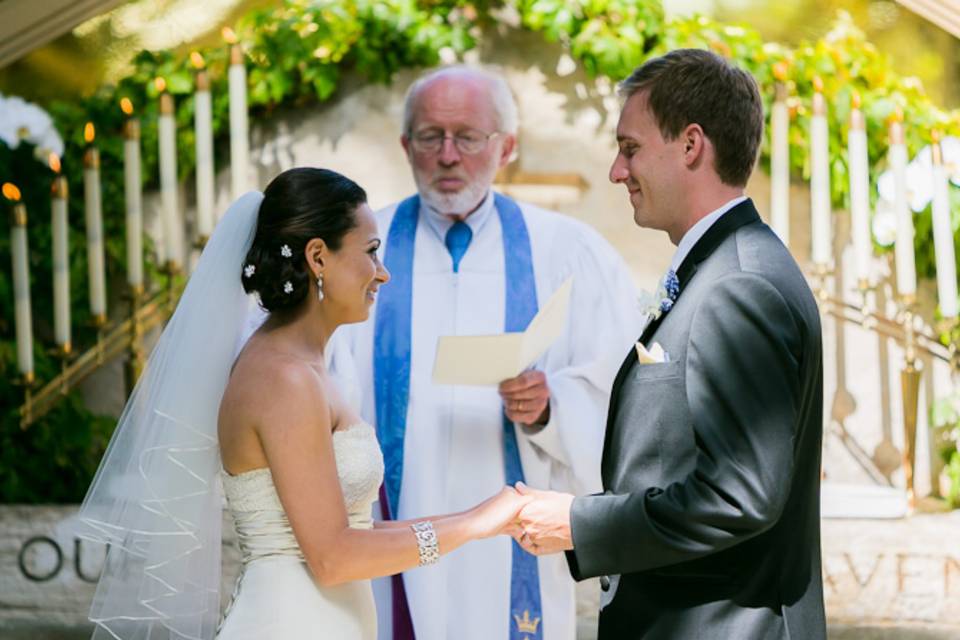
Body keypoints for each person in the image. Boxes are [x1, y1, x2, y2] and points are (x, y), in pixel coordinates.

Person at [76, 167, 529, 640]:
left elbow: (356, 532)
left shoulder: (305, 366)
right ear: (318, 257)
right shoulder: (282, 379)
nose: (383, 272)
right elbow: (333, 558)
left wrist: (484, 517)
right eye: (371, 252)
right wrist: (472, 528)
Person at [513, 49, 827, 639]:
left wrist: (582, 523)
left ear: (690, 145)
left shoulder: (739, 285)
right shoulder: (723, 270)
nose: (615, 170)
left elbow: (741, 494)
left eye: (629, 148)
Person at [330, 66, 641, 640]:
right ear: (405, 146)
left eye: (468, 137)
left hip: (514, 543)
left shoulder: (567, 253)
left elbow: (625, 399)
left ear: (507, 147)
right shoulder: (355, 253)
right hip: (388, 532)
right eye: (430, 136)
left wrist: (551, 408)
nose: (449, 156)